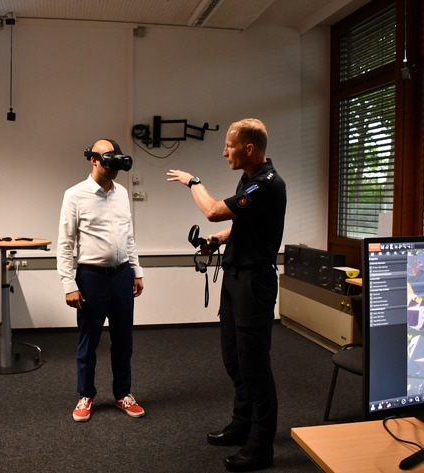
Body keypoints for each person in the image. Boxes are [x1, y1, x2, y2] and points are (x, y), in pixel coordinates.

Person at [167, 118, 286, 472]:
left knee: (255, 367)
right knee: (234, 359)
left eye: (228, 146)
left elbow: (214, 210)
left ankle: (261, 445)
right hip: (235, 280)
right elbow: (241, 221)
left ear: (249, 148)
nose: (224, 152)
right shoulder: (249, 179)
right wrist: (219, 239)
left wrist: (194, 182)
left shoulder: (267, 183)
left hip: (254, 284)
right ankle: (241, 423)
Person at [57, 138, 145, 423]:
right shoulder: (75, 194)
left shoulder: (121, 193)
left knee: (123, 340)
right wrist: (69, 284)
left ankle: (122, 394)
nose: (114, 164)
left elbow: (128, 236)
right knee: (89, 341)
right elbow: (65, 243)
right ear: (93, 159)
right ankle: (86, 395)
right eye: (108, 157)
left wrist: (137, 270)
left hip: (121, 276)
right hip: (91, 278)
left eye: (116, 158)